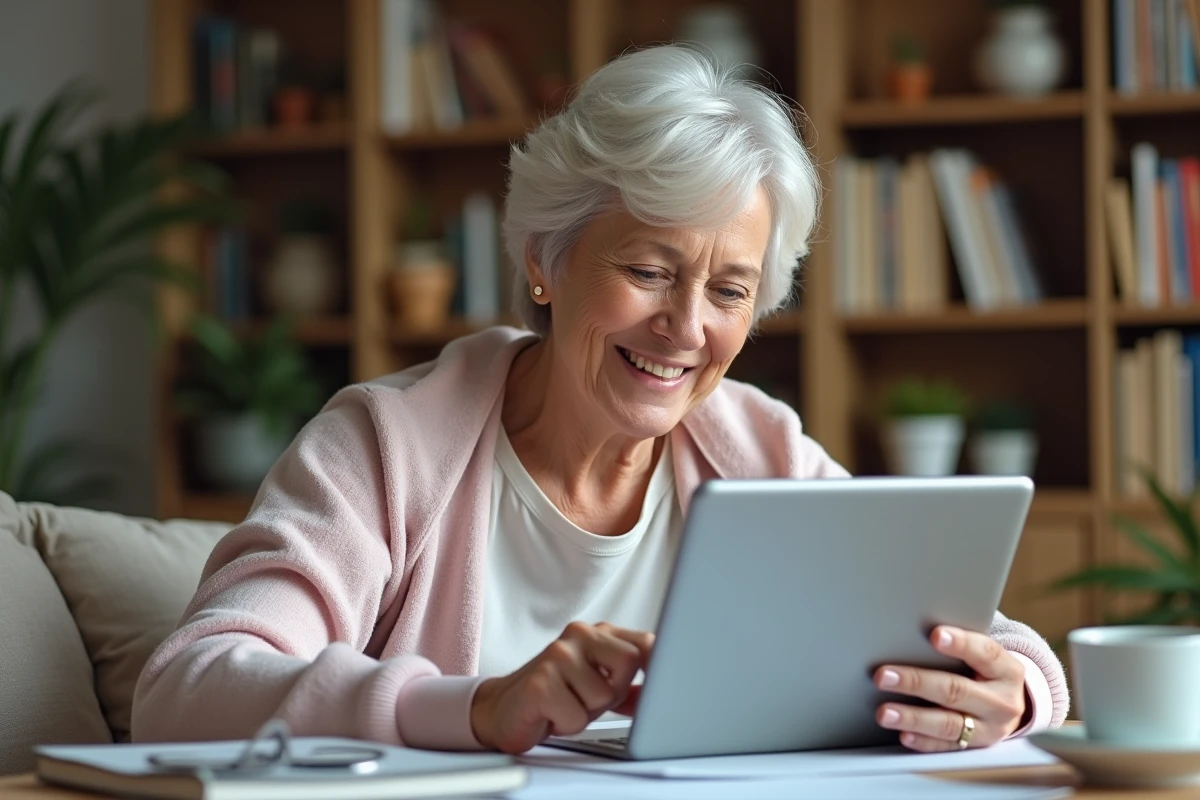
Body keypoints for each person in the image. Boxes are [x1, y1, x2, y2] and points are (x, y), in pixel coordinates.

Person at [132, 45, 1068, 755]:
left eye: (730, 290)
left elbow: (975, 631)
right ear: (546, 259)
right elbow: (186, 690)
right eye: (649, 269)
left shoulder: (758, 448)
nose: (686, 327)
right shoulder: (386, 445)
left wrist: (1015, 691)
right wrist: (476, 705)